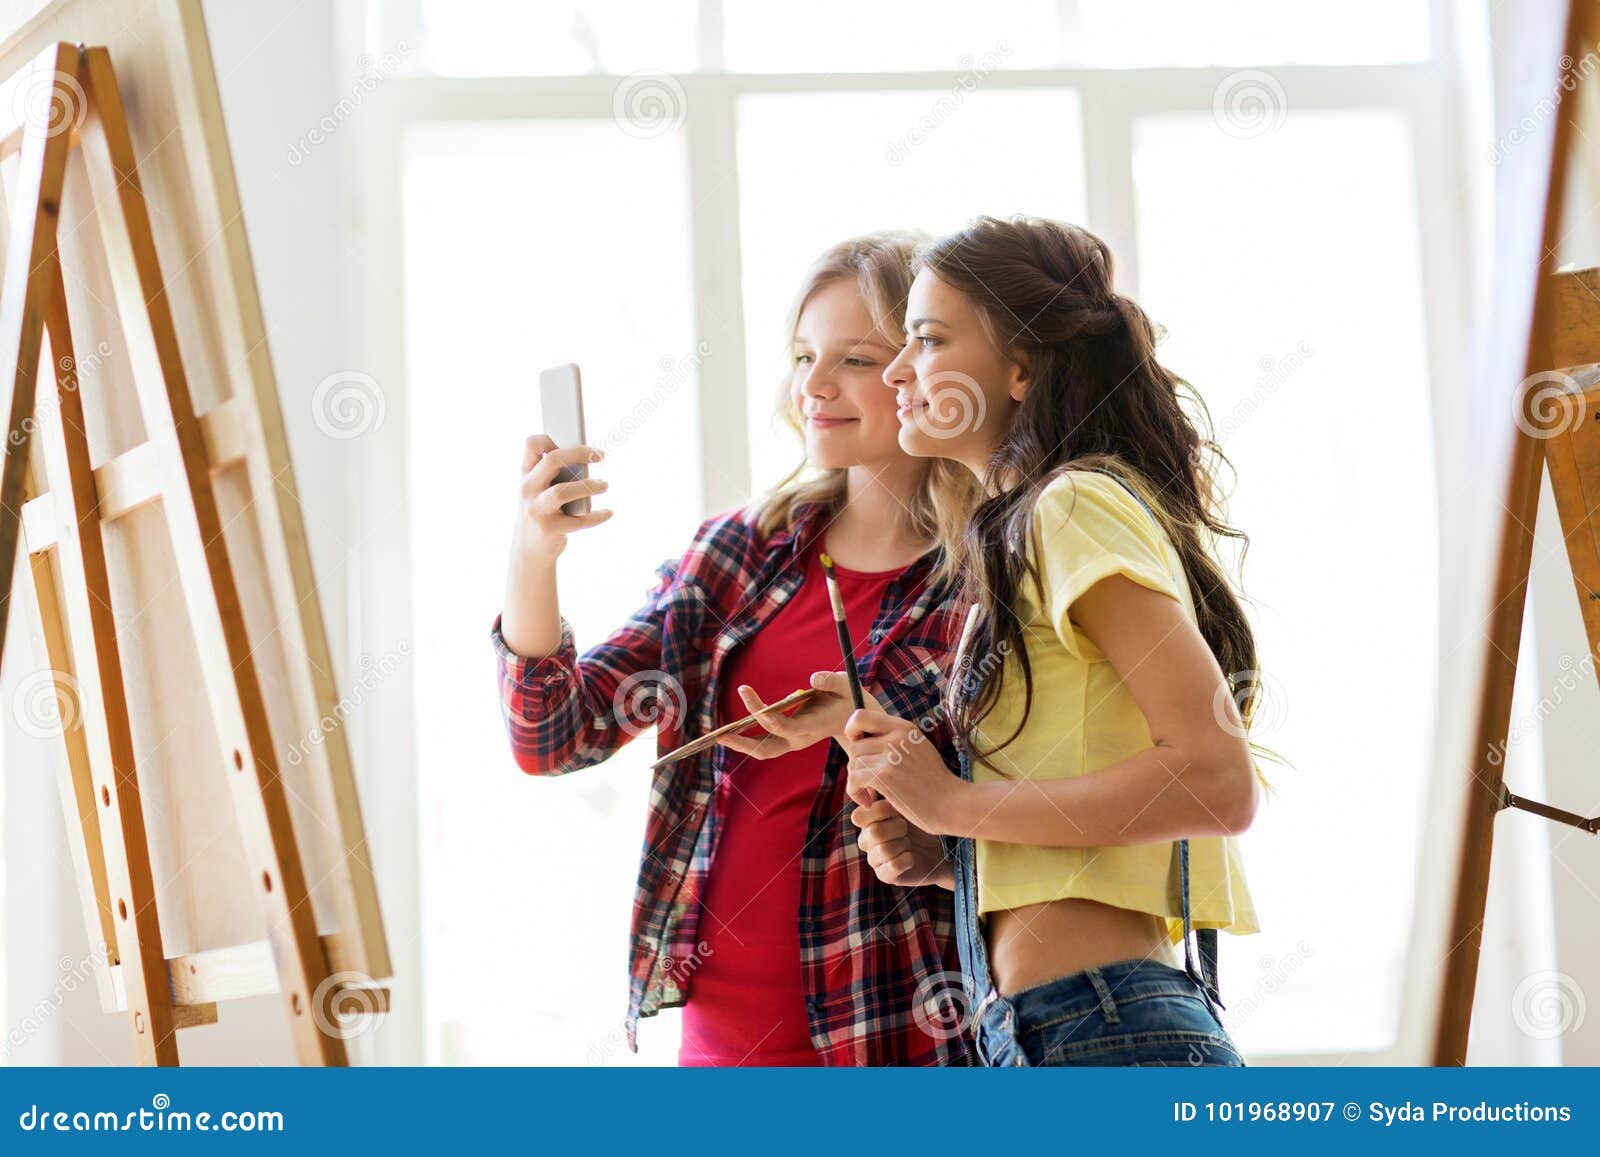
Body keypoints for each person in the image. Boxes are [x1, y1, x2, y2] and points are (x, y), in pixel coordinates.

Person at [493, 232, 980, 1065]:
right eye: (802, 355)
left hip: (901, 1037)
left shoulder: (981, 582)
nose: (813, 387)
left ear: (917, 373)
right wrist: (533, 551)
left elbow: (1020, 820)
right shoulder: (738, 554)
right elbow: (553, 733)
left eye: (854, 360)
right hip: (722, 1048)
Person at [843, 215, 1266, 1067]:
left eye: (926, 340)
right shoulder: (1040, 521)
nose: (896, 371)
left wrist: (952, 804)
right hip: (1060, 1026)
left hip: (1100, 1026)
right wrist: (950, 854)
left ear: (1021, 367)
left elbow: (1219, 781)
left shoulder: (1070, 506)